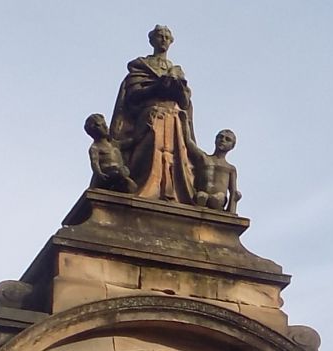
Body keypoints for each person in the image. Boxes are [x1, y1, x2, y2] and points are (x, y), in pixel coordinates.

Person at [109, 25, 199, 203]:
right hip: (150, 116)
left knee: (174, 156)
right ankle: (143, 188)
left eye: (167, 37)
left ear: (171, 41)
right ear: (152, 40)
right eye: (160, 36)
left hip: (173, 119)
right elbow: (133, 94)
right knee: (148, 151)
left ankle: (172, 191)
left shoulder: (177, 70)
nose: (163, 39)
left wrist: (178, 89)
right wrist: (156, 88)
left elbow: (185, 102)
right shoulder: (142, 66)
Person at [85, 114, 135, 192]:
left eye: (105, 125)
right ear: (93, 130)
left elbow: (127, 143)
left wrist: (142, 133)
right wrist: (99, 173)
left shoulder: (112, 143)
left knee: (127, 177)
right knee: (123, 176)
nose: (106, 127)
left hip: (119, 170)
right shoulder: (95, 147)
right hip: (107, 173)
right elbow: (94, 162)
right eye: (101, 126)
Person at [196, 130, 240, 212]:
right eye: (220, 137)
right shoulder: (204, 158)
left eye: (227, 139)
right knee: (201, 196)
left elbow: (233, 192)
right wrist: (186, 122)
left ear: (232, 146)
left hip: (218, 199)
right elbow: (188, 142)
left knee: (217, 199)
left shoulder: (230, 168)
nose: (223, 140)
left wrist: (231, 212)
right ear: (215, 140)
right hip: (202, 196)